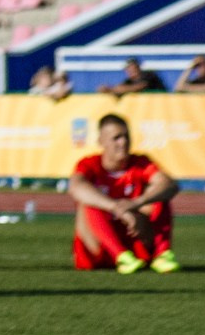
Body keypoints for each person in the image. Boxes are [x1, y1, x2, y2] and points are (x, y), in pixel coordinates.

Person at [68, 114, 179, 274]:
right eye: (116, 138)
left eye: (126, 137)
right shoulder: (89, 164)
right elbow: (76, 187)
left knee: (160, 196)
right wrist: (116, 208)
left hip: (133, 238)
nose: (123, 142)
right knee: (89, 201)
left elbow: (170, 185)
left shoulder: (140, 163)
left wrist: (136, 203)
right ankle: (121, 256)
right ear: (101, 141)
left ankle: (162, 255)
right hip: (98, 247)